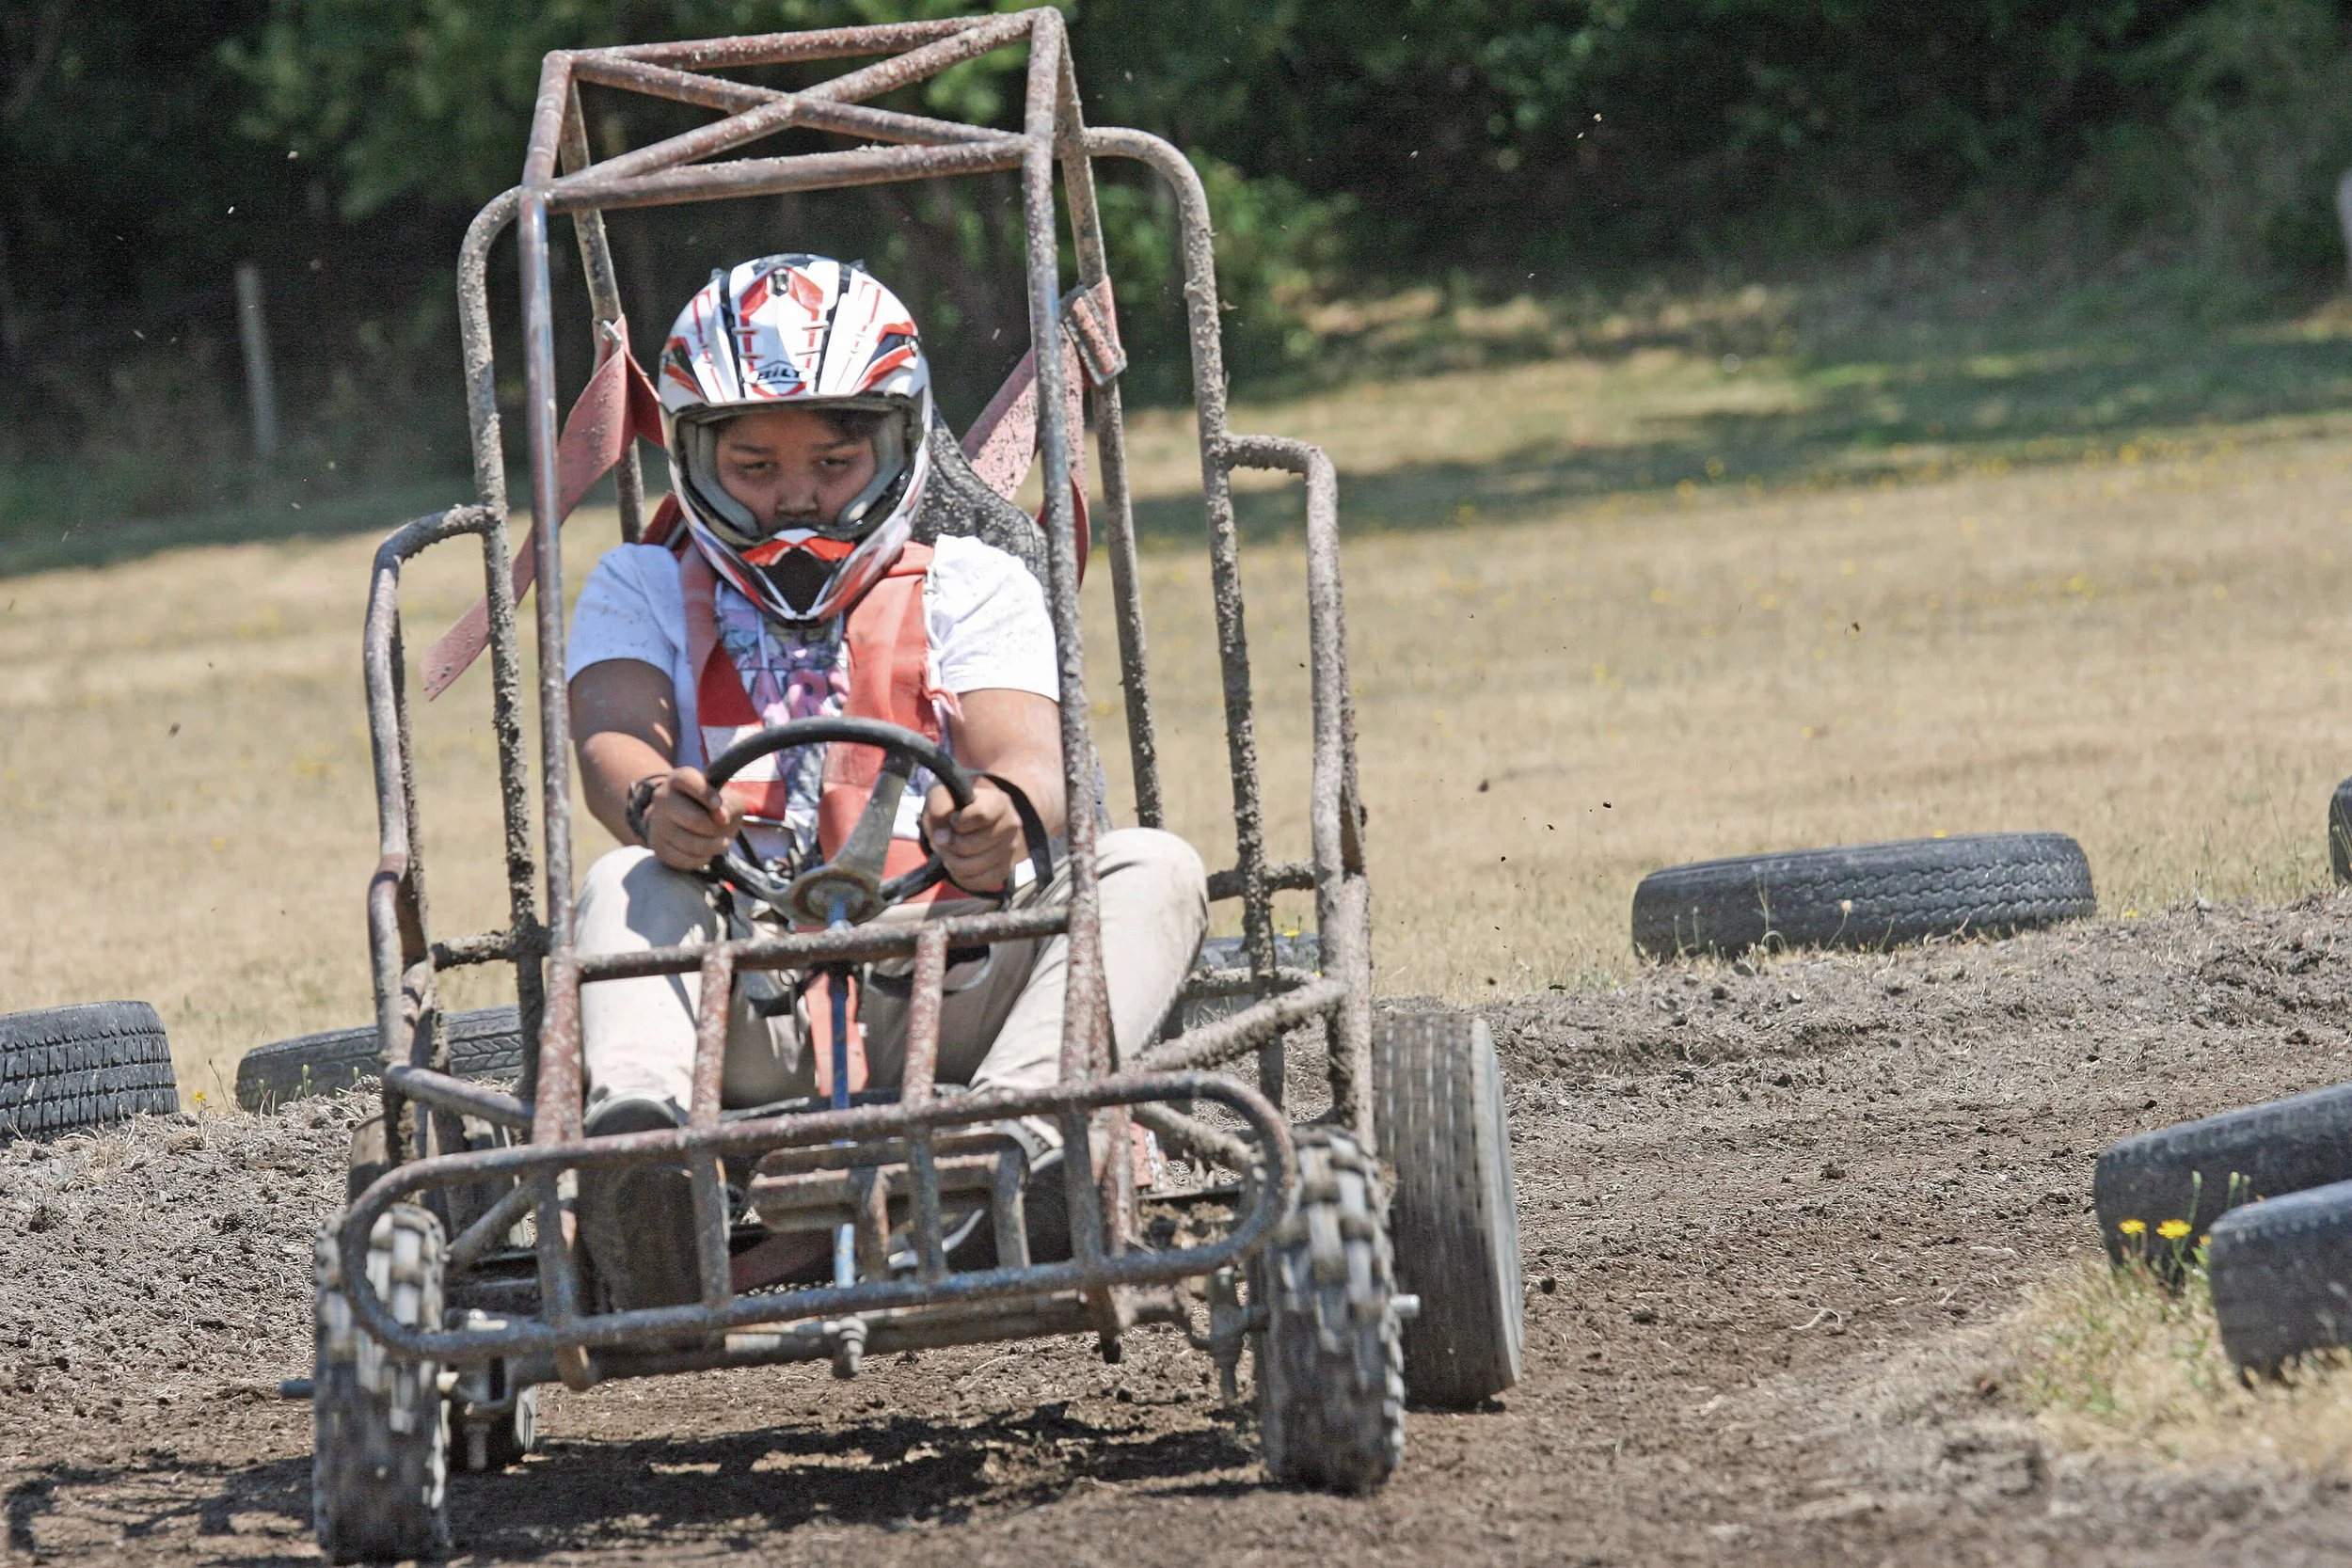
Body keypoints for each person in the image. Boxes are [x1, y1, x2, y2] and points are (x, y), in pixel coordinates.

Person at [562, 254, 1206, 1307]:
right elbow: (612, 742)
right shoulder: (641, 582)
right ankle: (646, 1160)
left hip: (946, 977)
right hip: (745, 996)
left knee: (1152, 864)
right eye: (754, 466)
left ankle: (1025, 1137)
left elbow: (1029, 761)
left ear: (898, 441)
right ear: (694, 455)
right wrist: (656, 804)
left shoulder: (973, 579)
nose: (797, 496)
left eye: (835, 458)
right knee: (624, 878)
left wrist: (998, 816)